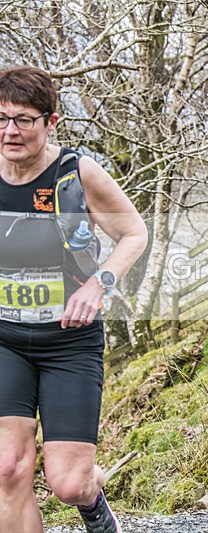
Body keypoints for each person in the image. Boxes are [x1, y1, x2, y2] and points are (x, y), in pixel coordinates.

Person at [0, 66, 147, 533]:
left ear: (51, 122)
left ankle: (93, 498)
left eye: (23, 120)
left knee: (67, 483)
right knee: (8, 470)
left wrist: (98, 283)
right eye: (1, 118)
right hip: (4, 339)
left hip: (69, 343)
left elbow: (134, 233)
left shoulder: (77, 173)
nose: (10, 131)